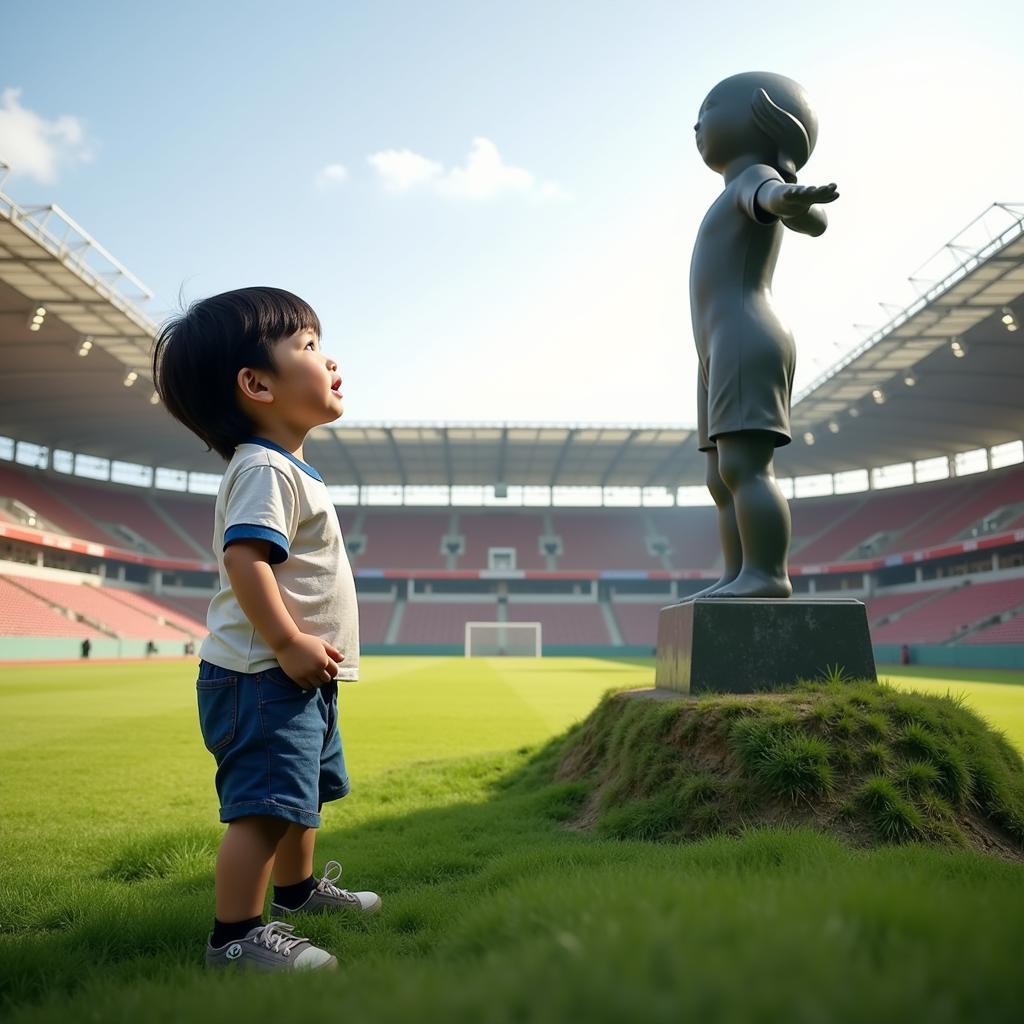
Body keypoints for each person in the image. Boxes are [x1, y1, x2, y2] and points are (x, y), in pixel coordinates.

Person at [152, 286, 379, 973]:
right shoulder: (263, 468)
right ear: (256, 383)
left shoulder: (288, 468)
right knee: (264, 804)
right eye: (309, 346)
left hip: (295, 673)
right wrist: (285, 641)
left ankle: (299, 894)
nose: (328, 357)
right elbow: (245, 559)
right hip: (262, 674)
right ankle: (235, 936)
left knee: (299, 796)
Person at [686, 72, 839, 600]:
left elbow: (788, 205)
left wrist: (790, 199)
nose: (698, 123)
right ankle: (736, 575)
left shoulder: (753, 176)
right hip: (715, 347)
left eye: (709, 107)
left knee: (745, 465)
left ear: (762, 112)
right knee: (719, 476)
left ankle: (767, 575)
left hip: (746, 336)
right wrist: (793, 201)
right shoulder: (733, 189)